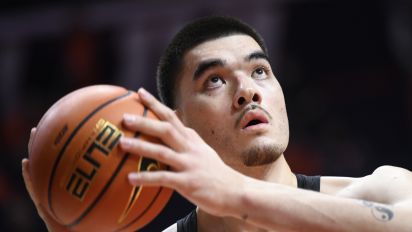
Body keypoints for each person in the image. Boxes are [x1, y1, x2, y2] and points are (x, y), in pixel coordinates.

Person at [22, 16, 412, 232]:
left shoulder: (383, 190)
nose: (247, 91)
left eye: (260, 71)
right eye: (215, 80)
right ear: (174, 126)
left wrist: (236, 195)